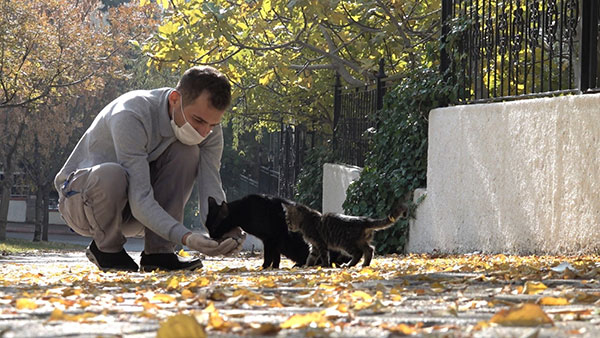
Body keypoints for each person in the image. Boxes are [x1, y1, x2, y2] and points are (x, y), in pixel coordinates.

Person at [54, 66, 245, 272]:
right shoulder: (131, 114)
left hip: (136, 212)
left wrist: (226, 228)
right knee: (112, 175)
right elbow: (140, 198)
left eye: (212, 125)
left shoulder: (208, 129)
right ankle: (107, 250)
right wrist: (186, 237)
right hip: (81, 205)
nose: (204, 131)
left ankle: (159, 253)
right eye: (198, 120)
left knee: (187, 152)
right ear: (174, 99)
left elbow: (211, 186)